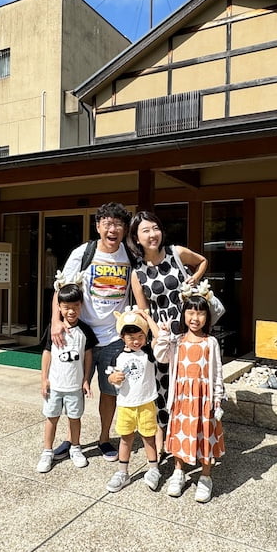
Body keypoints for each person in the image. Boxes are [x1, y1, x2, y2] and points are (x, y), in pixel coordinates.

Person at [50, 202, 133, 462]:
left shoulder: (130, 255)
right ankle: (71, 439)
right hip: (80, 337)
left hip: (114, 338)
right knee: (71, 389)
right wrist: (56, 321)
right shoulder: (83, 253)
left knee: (109, 393)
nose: (113, 229)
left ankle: (104, 438)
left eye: (118, 224)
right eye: (107, 224)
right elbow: (61, 288)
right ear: (98, 226)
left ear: (124, 229)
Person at [127, 210, 208, 455]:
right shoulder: (137, 273)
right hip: (162, 339)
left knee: (189, 386)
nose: (153, 234)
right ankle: (168, 444)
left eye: (155, 228)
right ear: (136, 238)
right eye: (146, 231)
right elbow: (144, 311)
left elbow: (202, 261)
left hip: (188, 332)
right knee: (164, 390)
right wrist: (156, 333)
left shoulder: (176, 253)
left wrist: (194, 279)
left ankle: (193, 438)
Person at [152, 283, 225, 503]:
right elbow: (160, 356)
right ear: (183, 314)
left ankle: (205, 476)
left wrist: (218, 398)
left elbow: (217, 372)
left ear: (207, 316)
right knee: (181, 434)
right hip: (182, 398)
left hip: (204, 399)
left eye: (200, 313)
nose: (195, 317)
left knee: (205, 436)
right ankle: (178, 471)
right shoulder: (177, 341)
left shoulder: (210, 342)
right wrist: (163, 335)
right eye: (191, 312)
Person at [36, 276, 97, 473]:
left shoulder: (84, 331)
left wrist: (86, 379)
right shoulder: (54, 330)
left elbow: (88, 356)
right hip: (55, 385)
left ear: (81, 306)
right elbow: (46, 354)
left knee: (75, 418)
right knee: (51, 417)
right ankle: (47, 452)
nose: (71, 311)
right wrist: (44, 379)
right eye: (66, 307)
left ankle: (76, 448)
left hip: (74, 386)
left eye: (76, 306)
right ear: (59, 308)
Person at [104, 307, 161, 492]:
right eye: (131, 338)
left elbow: (159, 337)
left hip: (146, 403)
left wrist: (146, 317)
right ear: (122, 338)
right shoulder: (117, 357)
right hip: (125, 405)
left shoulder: (149, 353)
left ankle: (153, 469)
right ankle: (122, 472)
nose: (136, 341)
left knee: (149, 437)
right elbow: (111, 377)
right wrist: (112, 379)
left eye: (140, 336)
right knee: (126, 438)